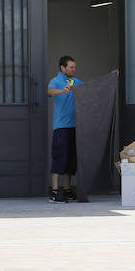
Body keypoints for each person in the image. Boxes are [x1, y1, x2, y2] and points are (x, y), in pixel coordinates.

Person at [47, 55, 83, 203]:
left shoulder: (76, 81)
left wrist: (111, 78)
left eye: (74, 67)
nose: (74, 69)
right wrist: (62, 91)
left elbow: (90, 89)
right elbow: (50, 91)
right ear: (62, 68)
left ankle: (67, 190)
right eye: (71, 67)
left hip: (74, 126)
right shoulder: (56, 81)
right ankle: (55, 192)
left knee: (70, 159)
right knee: (58, 157)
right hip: (61, 127)